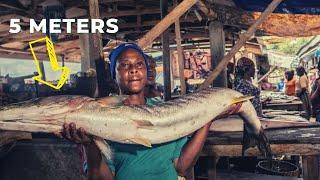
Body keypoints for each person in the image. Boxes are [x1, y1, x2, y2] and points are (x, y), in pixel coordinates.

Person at [60, 43, 212, 180]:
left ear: (147, 72)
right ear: (114, 75)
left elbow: (182, 166)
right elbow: (100, 177)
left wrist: (208, 117)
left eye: (139, 64)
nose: (133, 70)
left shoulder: (163, 111)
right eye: (125, 65)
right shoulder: (101, 115)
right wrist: (89, 145)